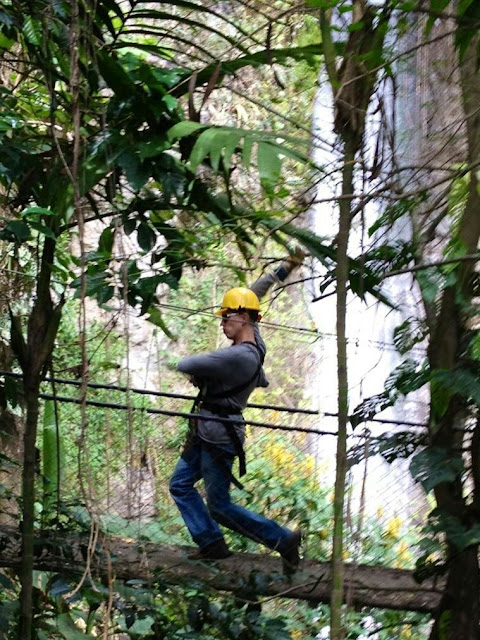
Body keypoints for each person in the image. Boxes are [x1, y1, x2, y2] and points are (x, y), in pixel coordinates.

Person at [169, 255, 304, 572]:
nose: (222, 323)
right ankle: (211, 543)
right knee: (180, 485)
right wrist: (282, 270)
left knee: (219, 506)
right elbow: (253, 296)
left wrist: (200, 374)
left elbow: (186, 364)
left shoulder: (239, 356)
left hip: (219, 435)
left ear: (243, 318)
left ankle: (282, 539)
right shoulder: (255, 340)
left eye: (226, 317)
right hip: (207, 429)